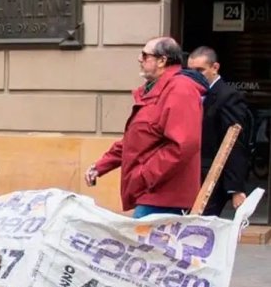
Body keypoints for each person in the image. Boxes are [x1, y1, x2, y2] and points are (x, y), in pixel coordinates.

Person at [85, 37, 208, 218]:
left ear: (162, 60)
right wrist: (101, 166)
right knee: (137, 236)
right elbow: (136, 139)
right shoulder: (155, 89)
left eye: (144, 55)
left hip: (165, 197)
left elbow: (183, 145)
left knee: (138, 236)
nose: (139, 59)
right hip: (153, 194)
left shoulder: (180, 89)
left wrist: (144, 175)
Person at [187, 46, 252, 216]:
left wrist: (236, 188)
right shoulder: (190, 94)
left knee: (201, 225)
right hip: (191, 174)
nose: (195, 75)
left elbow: (234, 141)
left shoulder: (228, 96)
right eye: (190, 71)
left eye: (200, 70)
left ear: (215, 67)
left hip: (212, 177)